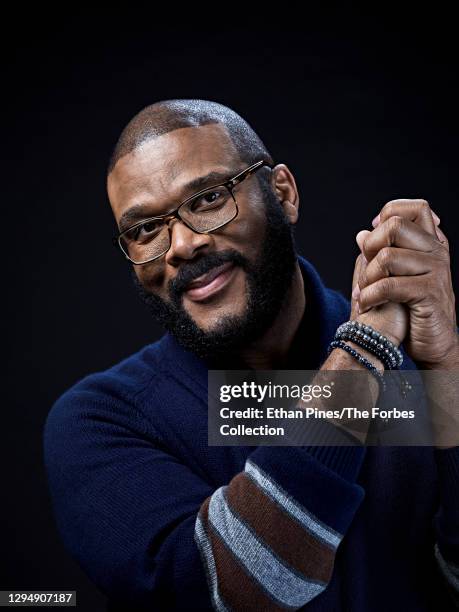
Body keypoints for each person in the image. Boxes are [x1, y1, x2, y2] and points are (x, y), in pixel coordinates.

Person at [43, 99, 459, 611]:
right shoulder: (102, 420)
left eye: (209, 198)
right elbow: (239, 591)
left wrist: (447, 373)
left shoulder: (428, 365)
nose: (181, 245)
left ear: (282, 194)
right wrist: (365, 347)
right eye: (145, 230)